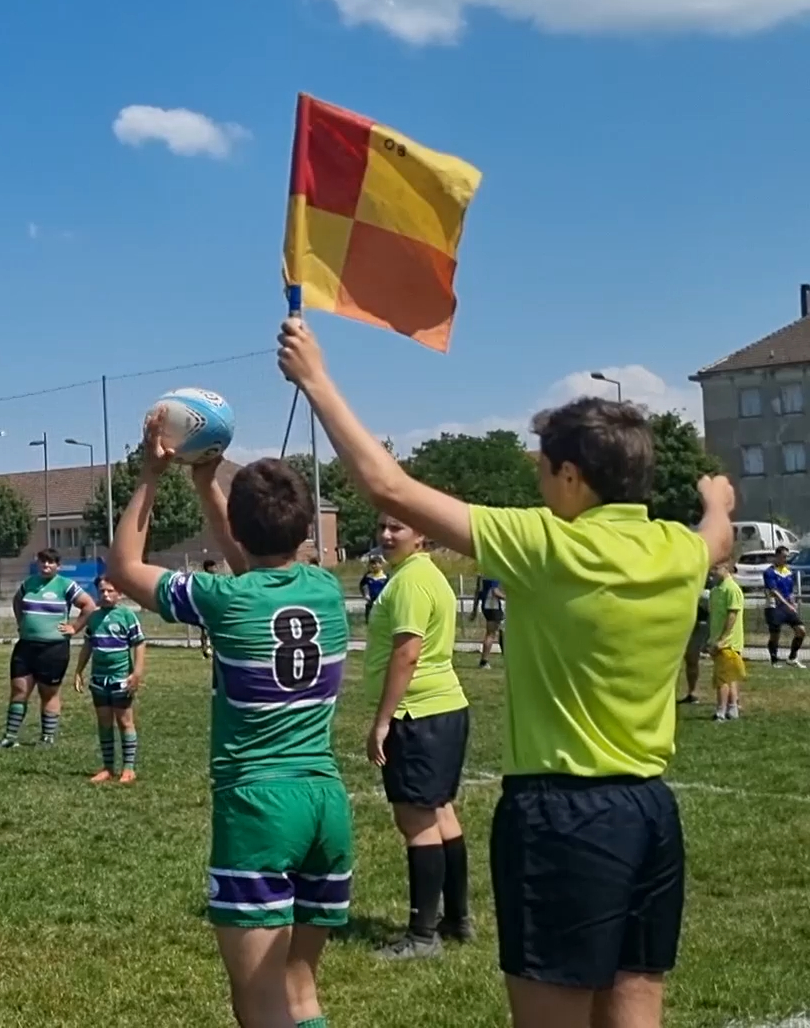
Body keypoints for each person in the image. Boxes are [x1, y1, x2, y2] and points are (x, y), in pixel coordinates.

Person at [279, 316, 733, 1027]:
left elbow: (387, 486)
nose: (540, 482)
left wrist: (316, 379)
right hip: (649, 813)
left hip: (562, 817)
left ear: (573, 476)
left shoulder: (548, 544)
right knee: (636, 1008)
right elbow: (718, 537)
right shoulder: (677, 549)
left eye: (545, 469)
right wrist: (718, 502)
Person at [107, 441, 351, 1028]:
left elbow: (123, 569)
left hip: (259, 806)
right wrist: (207, 484)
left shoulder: (224, 598)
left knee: (259, 999)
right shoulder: (324, 588)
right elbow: (254, 559)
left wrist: (150, 476)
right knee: (299, 988)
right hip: (327, 802)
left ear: (237, 529)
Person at [364, 514, 473, 960]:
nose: (387, 536)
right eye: (383, 527)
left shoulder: (410, 581)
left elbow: (407, 653)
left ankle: (423, 935)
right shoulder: (426, 574)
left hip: (418, 714)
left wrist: (383, 720)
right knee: (441, 813)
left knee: (416, 819)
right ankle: (456, 919)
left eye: (398, 528)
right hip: (444, 710)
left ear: (421, 534)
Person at [0, 549, 94, 749]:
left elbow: (88, 605)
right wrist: (21, 621)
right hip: (26, 646)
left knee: (48, 693)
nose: (46, 566)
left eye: (50, 563)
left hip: (53, 649)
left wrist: (74, 627)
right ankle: (10, 737)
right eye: (43, 562)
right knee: (19, 690)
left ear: (58, 566)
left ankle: (47, 738)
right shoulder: (29, 583)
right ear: (37, 563)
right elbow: (17, 601)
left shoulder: (65, 585)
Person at [72, 575, 147, 784]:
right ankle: (107, 767)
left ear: (119, 593)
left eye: (110, 591)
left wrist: (137, 673)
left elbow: (139, 644)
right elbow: (88, 645)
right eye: (102, 591)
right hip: (99, 679)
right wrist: (79, 670)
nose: (105, 594)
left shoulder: (127, 616)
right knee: (104, 722)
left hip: (121, 679)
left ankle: (129, 768)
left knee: (124, 721)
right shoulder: (94, 618)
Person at [709, 560, 747, 722]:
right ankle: (733, 709)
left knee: (722, 678)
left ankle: (721, 711)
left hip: (728, 643)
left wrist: (722, 639)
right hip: (718, 640)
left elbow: (732, 615)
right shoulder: (716, 590)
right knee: (729, 677)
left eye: (715, 568)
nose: (711, 572)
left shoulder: (732, 589)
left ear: (726, 568)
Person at [762, 546, 803, 665]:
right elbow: (774, 591)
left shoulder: (788, 572)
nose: (786, 559)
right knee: (775, 635)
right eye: (783, 557)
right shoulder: (769, 572)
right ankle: (774, 660)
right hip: (774, 607)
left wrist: (792, 602)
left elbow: (790, 591)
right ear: (777, 556)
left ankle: (792, 658)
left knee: (801, 630)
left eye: (787, 557)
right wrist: (786, 604)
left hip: (787, 607)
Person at [680, 570, 715, 706]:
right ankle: (689, 692)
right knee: (687, 660)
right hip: (682, 625)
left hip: (700, 626)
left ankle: (693, 692)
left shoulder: (711, 583)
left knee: (693, 659)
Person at [472, 575, 504, 668]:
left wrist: (474, 610)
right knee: (491, 634)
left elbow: (477, 592)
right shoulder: (492, 573)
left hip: (485, 605)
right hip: (493, 605)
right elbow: (495, 591)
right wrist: (507, 597)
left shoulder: (481, 574)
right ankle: (484, 661)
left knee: (497, 632)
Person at [198, 558, 220, 657]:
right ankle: (205, 648)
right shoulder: (204, 578)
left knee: (215, 629)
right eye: (213, 567)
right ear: (208, 568)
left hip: (215, 606)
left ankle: (213, 648)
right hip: (206, 606)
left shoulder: (217, 578)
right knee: (205, 630)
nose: (215, 569)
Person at [360, 557, 389, 623]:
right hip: (370, 602)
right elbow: (363, 586)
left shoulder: (385, 577)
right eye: (372, 564)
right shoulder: (367, 577)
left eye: (375, 564)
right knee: (369, 620)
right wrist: (366, 594)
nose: (373, 566)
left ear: (381, 565)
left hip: (382, 603)